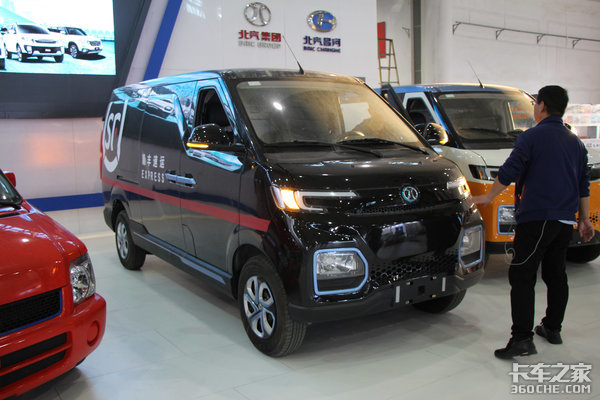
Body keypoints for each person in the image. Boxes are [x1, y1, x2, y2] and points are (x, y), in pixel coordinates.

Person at [472, 85, 595, 359]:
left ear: (542, 106)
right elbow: (583, 185)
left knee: (522, 275)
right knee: (555, 274)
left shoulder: (531, 137)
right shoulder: (575, 142)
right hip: (564, 221)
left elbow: (510, 170)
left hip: (538, 218)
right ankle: (552, 327)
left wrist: (489, 196)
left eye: (536, 104)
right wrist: (585, 220)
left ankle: (522, 339)